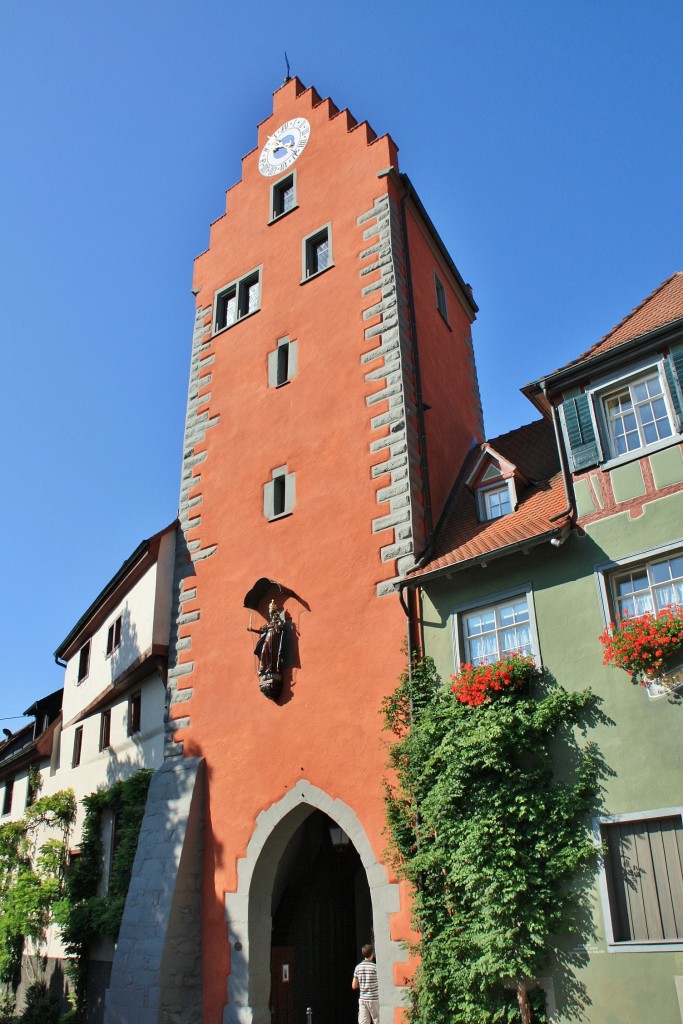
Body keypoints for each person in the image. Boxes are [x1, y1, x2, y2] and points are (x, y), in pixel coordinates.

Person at [352, 944, 379, 1024]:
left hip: (363, 999)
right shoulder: (375, 968)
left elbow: (354, 986)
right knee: (377, 1020)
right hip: (374, 999)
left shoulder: (358, 968)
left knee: (363, 1022)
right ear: (372, 953)